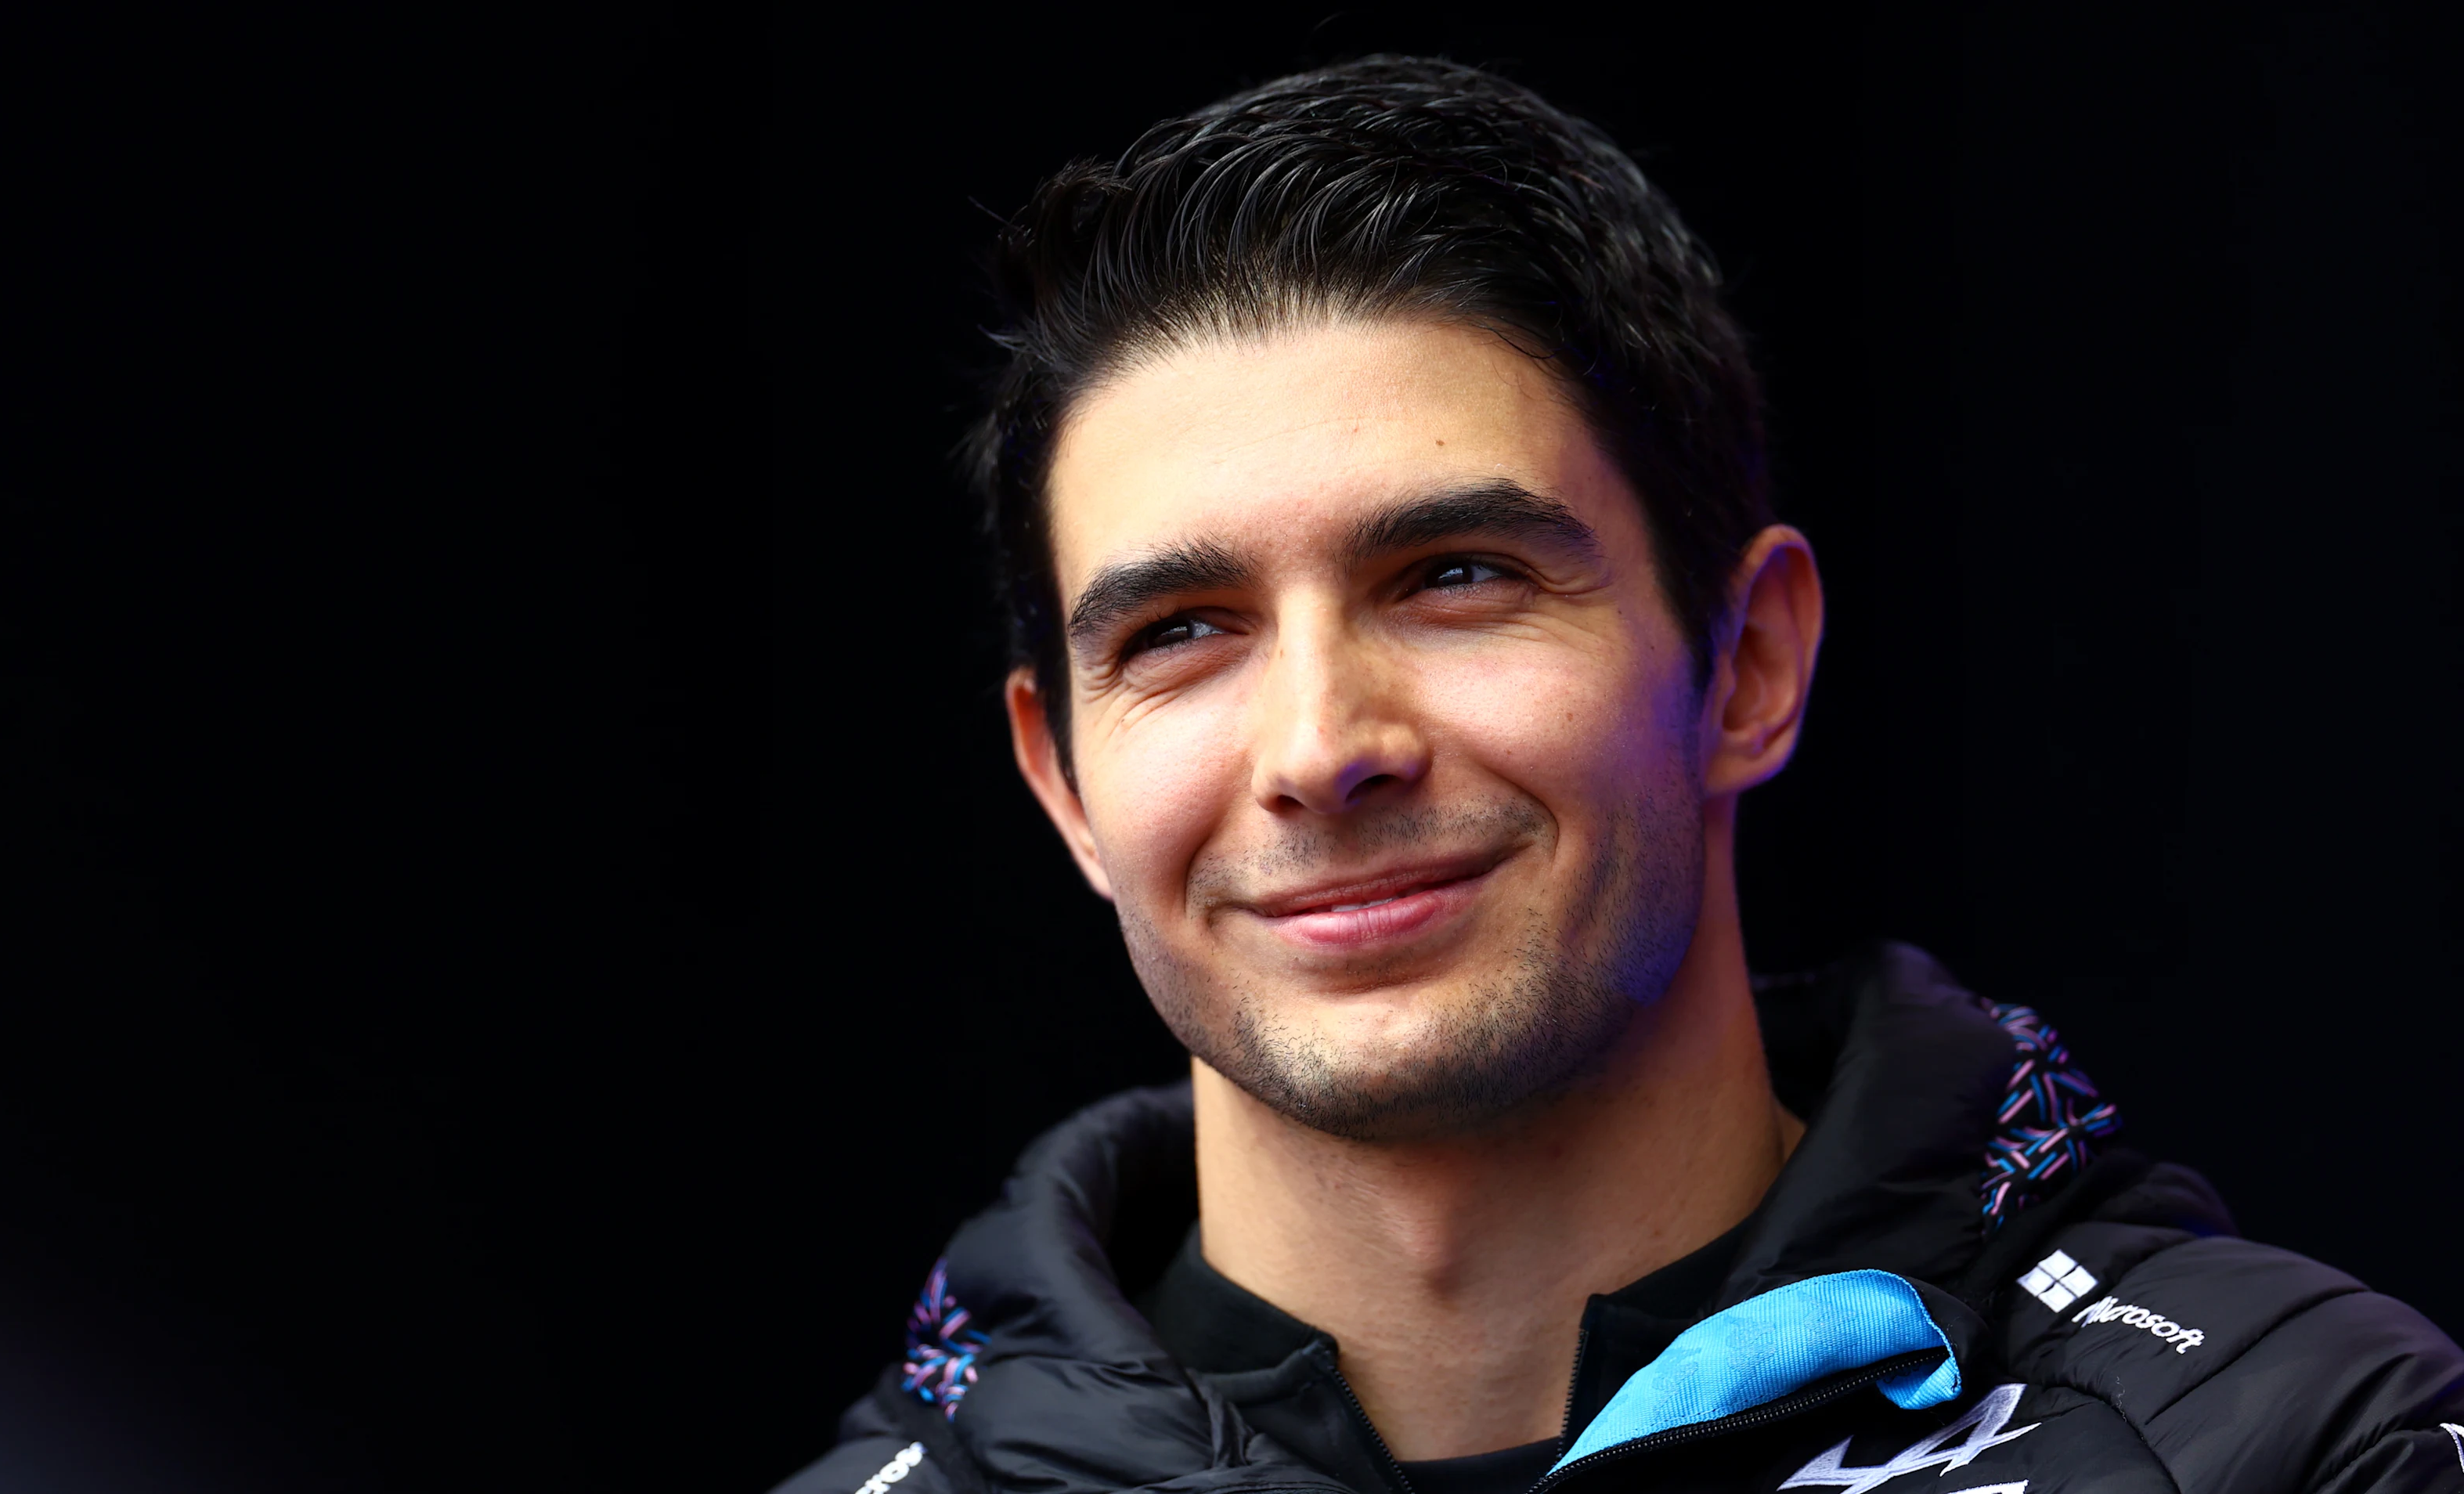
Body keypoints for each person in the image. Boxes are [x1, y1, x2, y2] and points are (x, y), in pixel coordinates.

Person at [774, 56, 2464, 1494]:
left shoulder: (2308, 1445)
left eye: (1452, 576)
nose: (1318, 750)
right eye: (1182, 632)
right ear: (1063, 782)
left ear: (1747, 665)